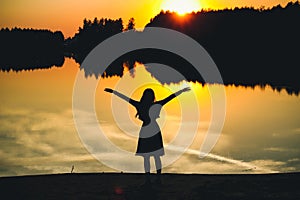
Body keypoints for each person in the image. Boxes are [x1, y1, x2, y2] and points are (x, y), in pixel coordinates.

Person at [104, 87, 190, 174]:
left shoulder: (140, 105)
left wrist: (113, 92)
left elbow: (126, 98)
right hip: (153, 129)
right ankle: (157, 178)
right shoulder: (155, 105)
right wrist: (181, 91)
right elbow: (169, 98)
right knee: (154, 156)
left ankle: (149, 178)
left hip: (146, 130)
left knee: (147, 156)